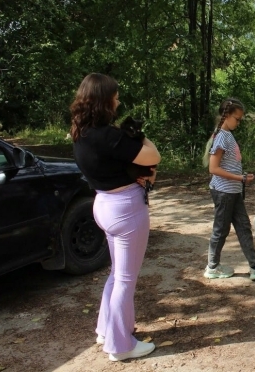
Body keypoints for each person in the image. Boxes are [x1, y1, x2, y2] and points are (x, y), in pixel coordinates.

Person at [71, 73, 160, 362]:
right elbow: (152, 156)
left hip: (103, 204)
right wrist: (138, 133)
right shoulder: (108, 135)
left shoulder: (81, 132)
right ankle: (121, 346)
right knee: (125, 280)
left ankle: (105, 329)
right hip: (126, 209)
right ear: (104, 100)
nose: (118, 101)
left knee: (116, 275)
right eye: (115, 96)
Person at [205, 98, 255, 278]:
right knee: (220, 230)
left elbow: (227, 164)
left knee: (243, 226)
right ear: (227, 115)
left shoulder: (227, 134)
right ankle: (212, 267)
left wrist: (240, 177)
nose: (238, 122)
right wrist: (240, 177)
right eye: (237, 119)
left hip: (233, 191)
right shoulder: (222, 136)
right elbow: (213, 168)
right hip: (224, 192)